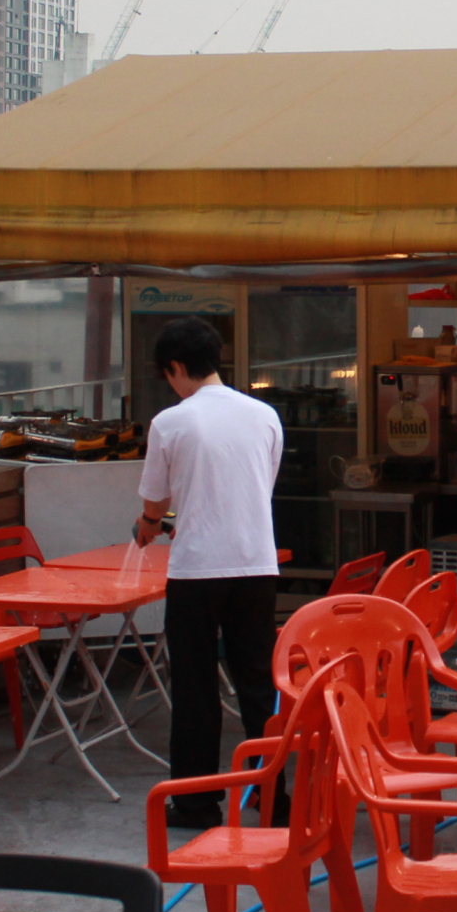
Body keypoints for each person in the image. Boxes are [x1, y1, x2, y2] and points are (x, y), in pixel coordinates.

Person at [133, 316, 283, 828]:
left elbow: (156, 501)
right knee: (258, 684)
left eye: (167, 374)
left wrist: (150, 524)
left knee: (196, 689)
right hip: (257, 564)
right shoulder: (264, 415)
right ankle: (273, 795)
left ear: (176, 367)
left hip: (197, 570)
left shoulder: (171, 422)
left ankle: (197, 803)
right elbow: (259, 486)